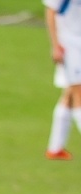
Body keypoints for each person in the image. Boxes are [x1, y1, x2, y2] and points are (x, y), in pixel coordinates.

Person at [45, 0, 81, 160]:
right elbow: (50, 11)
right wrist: (55, 45)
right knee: (78, 93)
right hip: (69, 45)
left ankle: (55, 148)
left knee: (69, 95)